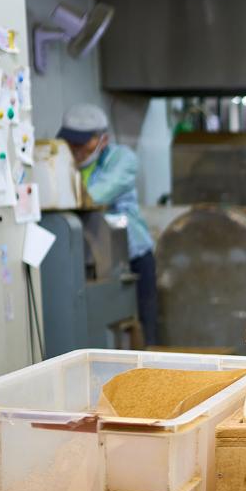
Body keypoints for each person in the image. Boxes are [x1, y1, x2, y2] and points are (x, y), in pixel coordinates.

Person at [57, 104, 158, 346]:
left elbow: (96, 195)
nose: (76, 148)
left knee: (143, 327)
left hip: (132, 258)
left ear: (103, 140)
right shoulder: (62, 161)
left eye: (83, 142)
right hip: (86, 260)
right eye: (71, 141)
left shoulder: (122, 159)